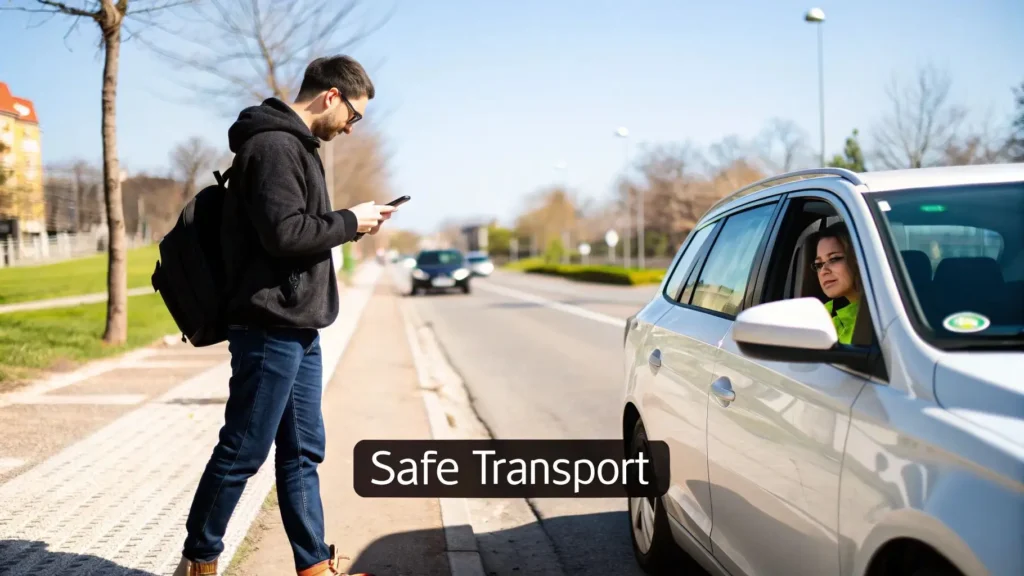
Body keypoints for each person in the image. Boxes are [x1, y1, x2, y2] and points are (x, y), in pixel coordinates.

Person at [174, 56, 392, 576]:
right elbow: (285, 234)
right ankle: (199, 561)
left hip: (297, 325)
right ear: (331, 96)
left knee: (302, 452)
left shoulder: (296, 146)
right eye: (354, 116)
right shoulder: (273, 147)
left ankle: (313, 566)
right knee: (244, 449)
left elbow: (296, 229)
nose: (351, 127)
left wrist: (351, 226)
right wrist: (347, 220)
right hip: (270, 325)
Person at [812, 222, 861, 345]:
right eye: (819, 264)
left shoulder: (894, 313)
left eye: (834, 259)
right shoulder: (820, 315)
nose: (823, 271)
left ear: (858, 259)